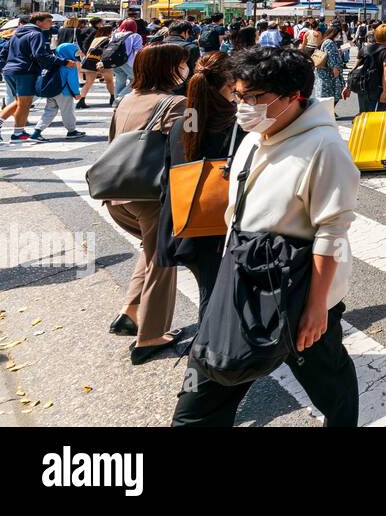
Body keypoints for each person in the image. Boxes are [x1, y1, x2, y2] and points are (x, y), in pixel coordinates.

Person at [172, 48, 360, 426]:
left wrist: (316, 308)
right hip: (242, 283)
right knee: (199, 401)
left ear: (295, 96)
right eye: (239, 96)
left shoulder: (325, 146)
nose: (244, 106)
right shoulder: (254, 136)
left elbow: (332, 232)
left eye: (256, 98)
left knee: (331, 386)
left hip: (299, 291)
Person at [104, 43, 190, 363]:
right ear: (168, 68)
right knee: (163, 262)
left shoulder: (127, 98)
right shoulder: (176, 103)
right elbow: (184, 150)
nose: (186, 70)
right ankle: (150, 336)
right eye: (182, 64)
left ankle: (130, 312)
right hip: (151, 197)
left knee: (151, 253)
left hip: (116, 194)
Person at [157, 52, 235, 316]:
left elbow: (168, 176)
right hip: (223, 226)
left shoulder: (183, 123)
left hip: (187, 221)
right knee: (221, 298)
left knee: (208, 292)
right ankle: (207, 350)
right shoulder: (237, 126)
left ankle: (207, 345)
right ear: (228, 86)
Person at [0, 12, 58, 143]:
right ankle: (14, 133)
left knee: (19, 102)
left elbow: (4, 52)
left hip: (10, 70)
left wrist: (13, 62)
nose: (51, 24)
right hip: (25, 72)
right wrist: (61, 62)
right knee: (24, 104)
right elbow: (39, 55)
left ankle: (5, 128)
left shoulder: (16, 33)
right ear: (38, 22)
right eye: (49, 21)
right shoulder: (36, 34)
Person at [29, 40, 85, 141]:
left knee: (49, 111)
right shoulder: (70, 65)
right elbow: (72, 81)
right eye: (74, 52)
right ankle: (71, 131)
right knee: (68, 112)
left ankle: (37, 131)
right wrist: (76, 93)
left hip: (52, 91)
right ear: (68, 53)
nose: (76, 54)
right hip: (65, 92)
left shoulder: (53, 62)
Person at [351, 23, 386, 114]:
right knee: (377, 118)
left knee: (364, 114)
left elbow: (356, 68)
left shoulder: (364, 48)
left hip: (362, 85)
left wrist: (348, 86)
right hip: (377, 88)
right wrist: (385, 91)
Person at [77, 25, 116, 109]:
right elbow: (107, 52)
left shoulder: (95, 39)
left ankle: (81, 100)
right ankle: (112, 98)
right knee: (109, 81)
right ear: (108, 32)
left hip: (90, 61)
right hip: (102, 62)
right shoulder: (108, 39)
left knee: (88, 82)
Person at [111, 18, 145, 100]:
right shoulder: (135, 36)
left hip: (115, 61)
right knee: (138, 80)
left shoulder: (115, 35)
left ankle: (117, 102)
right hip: (128, 62)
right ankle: (119, 98)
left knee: (120, 81)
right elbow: (138, 51)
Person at [314, 23, 347, 101]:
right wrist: (335, 70)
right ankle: (329, 112)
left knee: (327, 97)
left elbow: (328, 55)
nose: (339, 35)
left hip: (325, 73)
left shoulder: (326, 41)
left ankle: (329, 111)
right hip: (329, 74)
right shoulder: (330, 42)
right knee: (331, 97)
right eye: (339, 33)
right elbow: (331, 58)